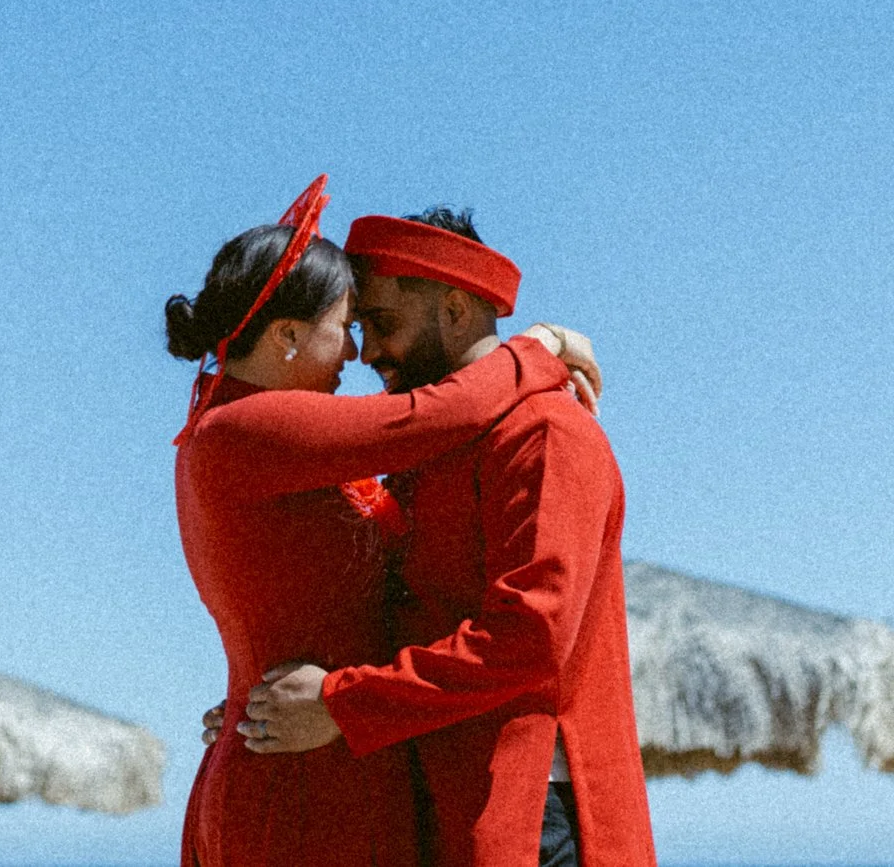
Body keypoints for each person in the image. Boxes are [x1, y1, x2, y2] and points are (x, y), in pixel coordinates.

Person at [170, 178, 599, 867]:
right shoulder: (246, 427)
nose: (358, 353)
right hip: (306, 787)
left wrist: (298, 696)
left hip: (327, 765)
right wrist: (541, 345)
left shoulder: (265, 439)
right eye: (349, 326)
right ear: (287, 335)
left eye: (374, 326)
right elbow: (437, 414)